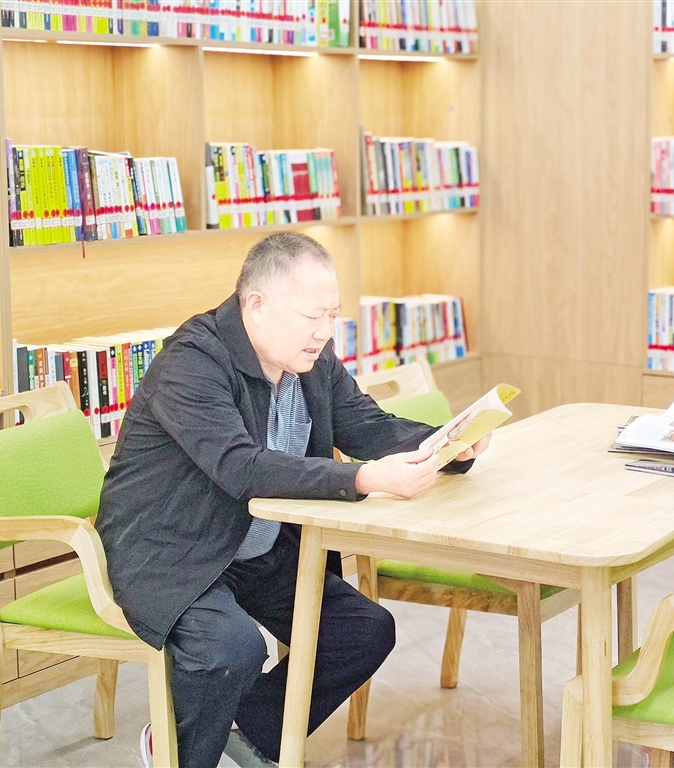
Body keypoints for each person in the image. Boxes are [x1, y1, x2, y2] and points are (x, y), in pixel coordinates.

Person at [96, 233, 490, 768]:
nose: (325, 331)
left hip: (256, 546)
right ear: (256, 305)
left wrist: (447, 444)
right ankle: (181, 750)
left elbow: (366, 424)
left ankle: (241, 729)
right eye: (312, 316)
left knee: (363, 632)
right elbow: (242, 466)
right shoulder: (193, 360)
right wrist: (363, 479)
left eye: (332, 315)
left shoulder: (311, 359)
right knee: (232, 648)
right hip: (174, 551)